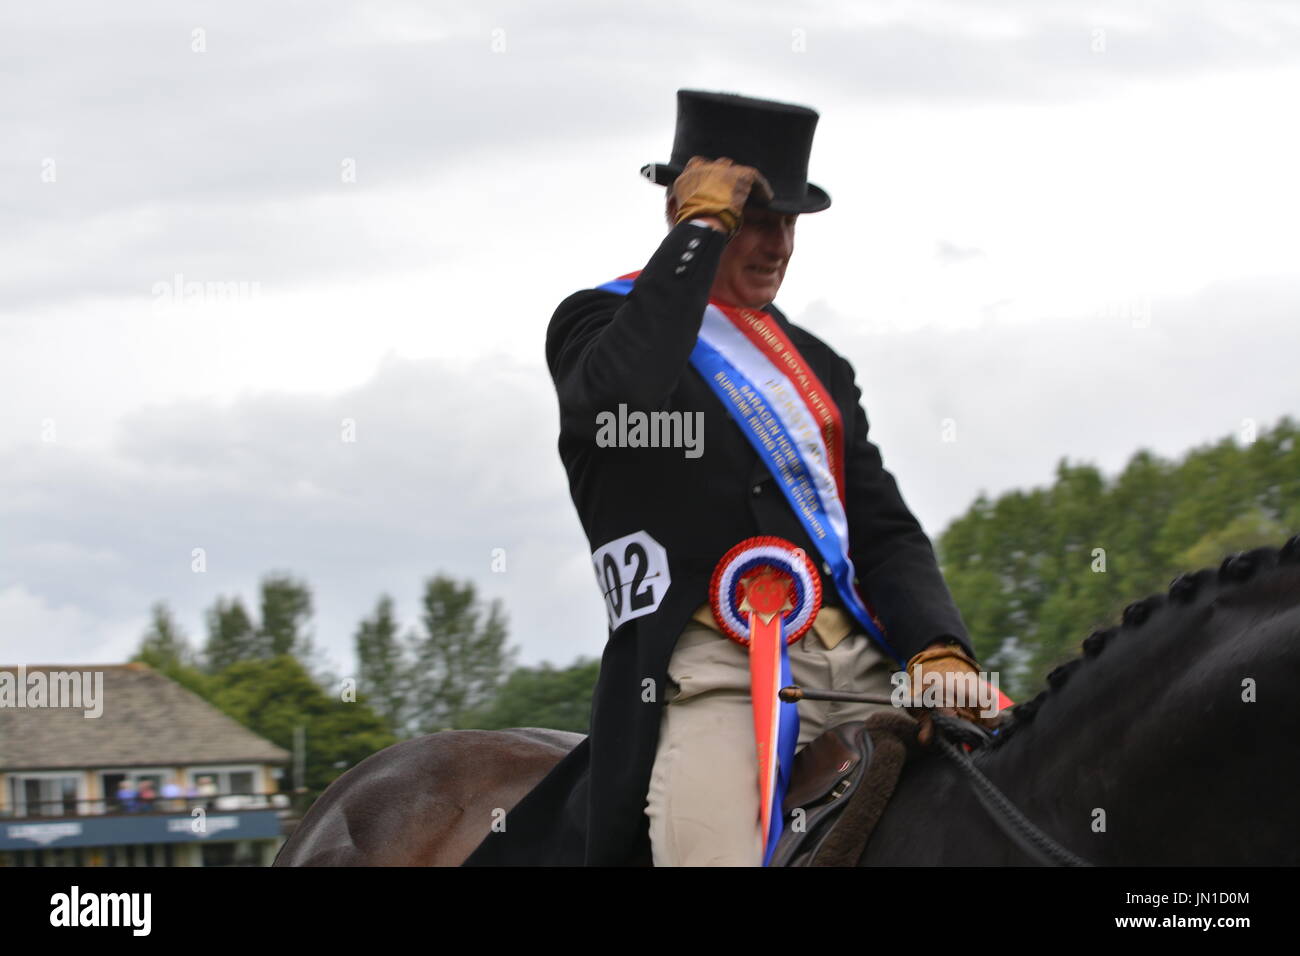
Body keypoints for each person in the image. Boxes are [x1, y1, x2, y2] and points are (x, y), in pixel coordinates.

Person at [464, 89, 995, 867]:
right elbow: (624, 394)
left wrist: (939, 644)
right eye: (753, 218)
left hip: (864, 664)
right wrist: (698, 239)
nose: (778, 243)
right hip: (717, 674)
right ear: (689, 211)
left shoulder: (816, 365)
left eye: (789, 222)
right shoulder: (595, 325)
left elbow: (881, 528)